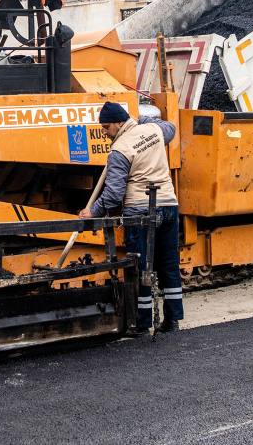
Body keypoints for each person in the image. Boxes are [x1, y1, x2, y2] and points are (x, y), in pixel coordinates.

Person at [79, 102, 183, 333]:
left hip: (139, 211)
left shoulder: (119, 150)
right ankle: (173, 319)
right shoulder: (154, 130)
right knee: (169, 264)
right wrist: (142, 119)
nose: (105, 133)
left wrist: (93, 211)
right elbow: (171, 128)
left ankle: (142, 323)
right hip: (169, 205)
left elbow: (113, 195)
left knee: (140, 267)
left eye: (106, 127)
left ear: (119, 123)